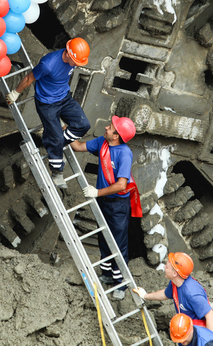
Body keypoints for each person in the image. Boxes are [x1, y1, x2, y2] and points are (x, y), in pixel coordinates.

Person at [70, 116, 142, 300]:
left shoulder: (124, 153)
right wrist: (67, 132)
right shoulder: (102, 142)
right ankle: (108, 274)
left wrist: (97, 193)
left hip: (118, 203)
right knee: (103, 237)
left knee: (118, 243)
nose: (106, 127)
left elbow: (121, 185)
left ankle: (121, 284)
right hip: (104, 200)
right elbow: (78, 147)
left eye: (110, 127)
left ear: (117, 135)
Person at [6, 38, 91, 189]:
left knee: (83, 125)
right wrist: (15, 93)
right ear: (69, 55)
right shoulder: (48, 64)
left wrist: (57, 141)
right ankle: (57, 173)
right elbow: (29, 78)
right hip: (47, 103)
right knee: (55, 137)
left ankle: (56, 143)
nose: (78, 65)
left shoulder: (71, 61)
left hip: (64, 97)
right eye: (76, 62)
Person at [133, 252, 213, 337]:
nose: (164, 267)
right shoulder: (176, 283)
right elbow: (165, 294)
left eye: (167, 267)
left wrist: (207, 341)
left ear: (175, 273)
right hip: (187, 331)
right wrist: (145, 296)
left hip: (199, 333)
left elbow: (211, 316)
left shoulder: (191, 293)